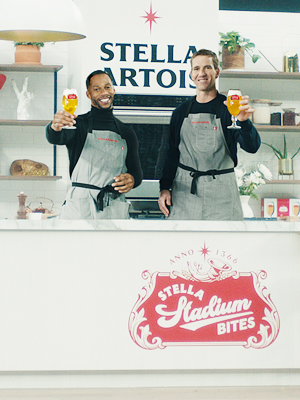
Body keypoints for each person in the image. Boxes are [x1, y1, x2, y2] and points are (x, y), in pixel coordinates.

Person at [158, 49, 261, 221]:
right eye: (197, 68)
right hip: (185, 193)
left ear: (217, 72)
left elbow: (252, 147)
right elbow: (170, 153)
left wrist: (243, 122)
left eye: (207, 67)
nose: (202, 73)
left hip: (222, 195)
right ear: (191, 74)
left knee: (223, 247)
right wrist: (164, 187)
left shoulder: (230, 108)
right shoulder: (180, 112)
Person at [46, 70, 143, 219]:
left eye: (107, 87)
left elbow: (136, 173)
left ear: (114, 90)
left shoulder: (126, 132)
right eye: (97, 89)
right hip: (80, 208)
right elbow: (55, 138)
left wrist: (132, 180)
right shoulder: (77, 125)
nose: (104, 92)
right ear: (88, 94)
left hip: (113, 208)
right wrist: (54, 127)